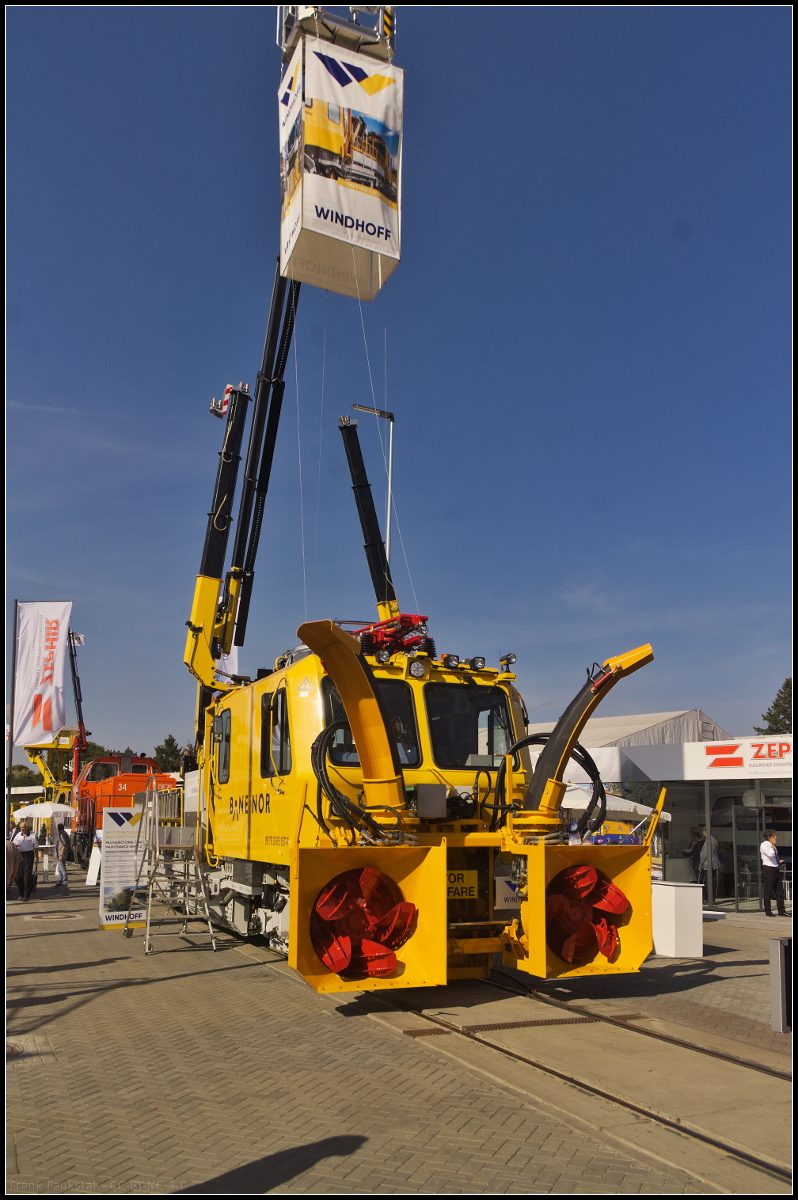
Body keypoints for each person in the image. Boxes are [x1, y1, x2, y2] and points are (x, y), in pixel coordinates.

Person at [760, 828, 789, 917]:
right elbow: (770, 854)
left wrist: (779, 862)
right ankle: (768, 910)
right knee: (768, 890)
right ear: (769, 837)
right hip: (769, 869)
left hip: (775, 868)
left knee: (780, 890)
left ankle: (781, 910)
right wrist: (773, 845)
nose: (776, 837)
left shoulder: (773, 847)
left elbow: (773, 857)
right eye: (774, 836)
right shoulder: (764, 845)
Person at [11, 821, 39, 901]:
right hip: (20, 855)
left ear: (27, 827)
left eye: (23, 827)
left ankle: (26, 895)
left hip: (29, 855)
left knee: (27, 876)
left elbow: (36, 847)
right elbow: (13, 845)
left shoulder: (32, 835)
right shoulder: (18, 835)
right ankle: (20, 893)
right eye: (20, 827)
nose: (22, 829)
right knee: (18, 876)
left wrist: (37, 858)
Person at [698, 825, 719, 896]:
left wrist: (700, 865)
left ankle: (709, 898)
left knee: (708, 882)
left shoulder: (708, 841)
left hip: (708, 864)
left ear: (704, 832)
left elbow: (704, 854)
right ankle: (711, 898)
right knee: (711, 881)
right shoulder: (714, 840)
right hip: (714, 863)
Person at [54, 822, 71, 888]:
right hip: (61, 853)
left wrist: (61, 855)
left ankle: (64, 882)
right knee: (59, 868)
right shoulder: (63, 834)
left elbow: (64, 845)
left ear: (58, 828)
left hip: (62, 854)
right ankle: (60, 881)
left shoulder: (62, 835)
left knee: (62, 868)